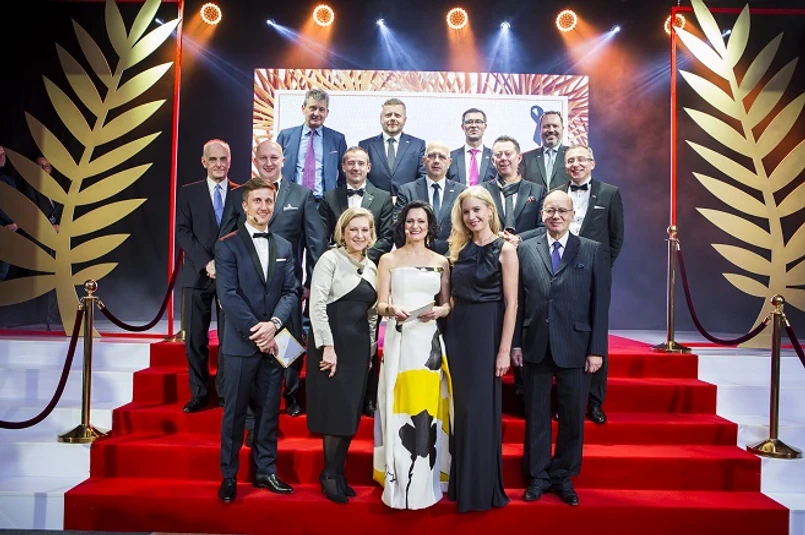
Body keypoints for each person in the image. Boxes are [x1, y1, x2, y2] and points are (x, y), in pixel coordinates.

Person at [512, 190, 609, 507]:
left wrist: (597, 350)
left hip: (577, 347)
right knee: (536, 415)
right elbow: (518, 300)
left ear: (572, 215)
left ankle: (563, 475)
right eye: (550, 210)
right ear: (542, 214)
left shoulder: (592, 250)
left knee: (572, 417)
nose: (556, 216)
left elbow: (600, 305)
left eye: (562, 211)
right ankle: (538, 476)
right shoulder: (526, 250)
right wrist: (515, 343)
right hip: (535, 343)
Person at [215, 177, 300, 503]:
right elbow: (228, 295)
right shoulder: (227, 245)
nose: (264, 207)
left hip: (277, 342)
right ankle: (229, 476)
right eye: (258, 201)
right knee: (235, 412)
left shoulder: (284, 246)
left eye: (269, 201)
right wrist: (259, 331)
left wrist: (274, 324)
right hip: (242, 343)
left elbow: (291, 291)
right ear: (245, 205)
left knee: (269, 412)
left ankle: (266, 470)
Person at [373, 200, 452, 510]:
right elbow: (380, 305)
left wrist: (440, 311)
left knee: (426, 410)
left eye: (420, 221)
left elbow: (447, 303)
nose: (414, 226)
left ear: (429, 226)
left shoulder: (441, 261)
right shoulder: (388, 259)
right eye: (409, 221)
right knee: (399, 406)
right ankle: (397, 480)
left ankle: (425, 481)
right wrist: (391, 309)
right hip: (400, 339)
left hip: (428, 345)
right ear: (402, 225)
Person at [444, 186, 518, 513]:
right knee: (461, 411)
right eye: (466, 212)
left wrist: (504, 350)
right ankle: (461, 484)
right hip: (457, 333)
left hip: (487, 333)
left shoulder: (506, 250)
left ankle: (480, 489)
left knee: (478, 411)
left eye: (477, 210)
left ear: (490, 210)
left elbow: (512, 304)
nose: (472, 216)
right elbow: (450, 298)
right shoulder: (458, 250)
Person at [307, 207, 379, 503]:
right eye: (353, 230)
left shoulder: (373, 267)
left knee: (350, 413)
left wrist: (371, 351)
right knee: (336, 412)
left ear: (371, 234)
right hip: (332, 345)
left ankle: (338, 472)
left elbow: (372, 316)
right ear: (343, 232)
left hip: (358, 349)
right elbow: (316, 305)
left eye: (364, 230)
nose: (359, 235)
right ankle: (328, 474)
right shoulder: (330, 259)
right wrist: (327, 346)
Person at [253, 139, 327, 416]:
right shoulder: (243, 195)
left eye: (274, 157)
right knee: (254, 341)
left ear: (283, 160)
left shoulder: (301, 195)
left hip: (288, 288)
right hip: (250, 287)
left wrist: (311, 283)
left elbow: (316, 244)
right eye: (263, 158)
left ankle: (291, 394)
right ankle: (256, 396)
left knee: (289, 343)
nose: (269, 163)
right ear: (255, 161)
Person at [319, 146, 393, 417]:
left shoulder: (383, 197)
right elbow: (322, 235)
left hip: (369, 272)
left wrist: (359, 256)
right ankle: (338, 395)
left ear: (369, 167)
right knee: (341, 331)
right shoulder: (330, 197)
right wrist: (343, 258)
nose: (355, 168)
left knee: (368, 330)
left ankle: (368, 396)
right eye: (350, 163)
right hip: (337, 273)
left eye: (361, 163)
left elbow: (387, 237)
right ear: (343, 167)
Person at [556, 144, 623, 424]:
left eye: (581, 159)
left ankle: (595, 402)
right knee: (562, 334)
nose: (576, 164)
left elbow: (616, 238)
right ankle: (563, 401)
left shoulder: (609, 193)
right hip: (560, 271)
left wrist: (600, 267)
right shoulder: (557, 192)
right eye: (570, 160)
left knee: (596, 332)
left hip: (596, 273)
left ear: (592, 163)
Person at [175, 139, 242, 413]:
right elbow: (182, 232)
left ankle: (225, 393)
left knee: (229, 339)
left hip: (231, 277)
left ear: (230, 161)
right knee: (195, 339)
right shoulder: (188, 193)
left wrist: (223, 264)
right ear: (204, 162)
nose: (218, 164)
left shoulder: (241, 193)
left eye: (223, 159)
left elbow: (243, 232)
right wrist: (206, 263)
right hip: (196, 275)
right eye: (213, 159)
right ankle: (200, 393)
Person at [395, 141, 466, 256]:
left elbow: (465, 229)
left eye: (442, 157)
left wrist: (448, 257)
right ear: (423, 161)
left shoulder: (461, 192)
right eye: (431, 156)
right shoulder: (407, 191)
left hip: (453, 258)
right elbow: (398, 228)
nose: (436, 160)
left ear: (449, 162)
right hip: (415, 258)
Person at [275, 89, 347, 199]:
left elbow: (344, 176)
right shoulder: (286, 136)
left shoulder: (337, 139)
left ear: (327, 113)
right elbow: (275, 169)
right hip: (291, 201)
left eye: (321, 109)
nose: (316, 113)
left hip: (324, 203)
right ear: (303, 108)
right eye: (313, 108)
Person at [483, 135, 546, 249]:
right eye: (498, 155)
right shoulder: (482, 191)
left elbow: (544, 227)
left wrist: (519, 238)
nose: (503, 158)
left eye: (508, 154)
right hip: (490, 253)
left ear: (519, 158)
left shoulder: (538, 191)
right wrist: (495, 237)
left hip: (527, 252)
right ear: (493, 161)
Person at [359, 98, 426, 195]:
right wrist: (380, 197)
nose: (393, 118)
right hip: (374, 200)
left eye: (397, 115)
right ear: (381, 119)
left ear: (405, 120)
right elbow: (361, 176)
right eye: (388, 115)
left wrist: (406, 196)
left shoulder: (418, 145)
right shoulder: (365, 145)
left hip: (408, 201)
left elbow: (423, 177)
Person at [519, 111, 571, 189]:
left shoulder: (573, 155)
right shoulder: (526, 158)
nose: (551, 130)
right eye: (546, 126)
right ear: (539, 130)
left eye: (555, 126)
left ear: (562, 129)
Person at [446, 108, 496, 186]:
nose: (473, 125)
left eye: (478, 122)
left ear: (485, 127)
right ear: (463, 127)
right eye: (469, 122)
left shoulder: (494, 157)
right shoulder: (451, 157)